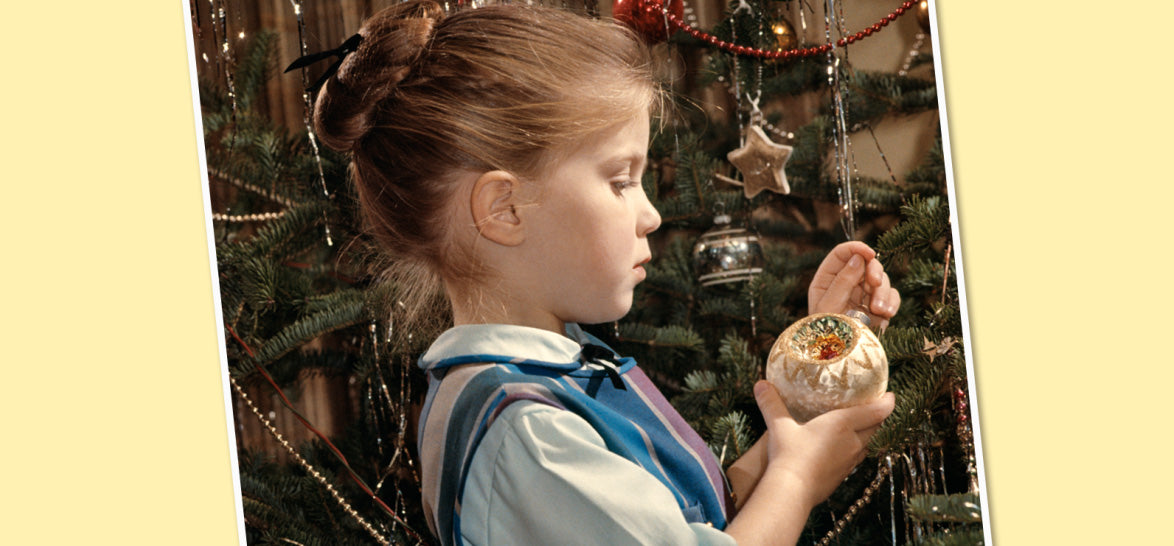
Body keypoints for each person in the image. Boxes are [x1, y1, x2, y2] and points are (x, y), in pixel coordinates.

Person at [309, 2, 900, 544]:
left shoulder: (561, 366)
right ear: (505, 210)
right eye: (620, 181)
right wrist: (795, 483)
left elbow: (689, 521)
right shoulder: (527, 432)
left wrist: (817, 377)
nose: (651, 214)